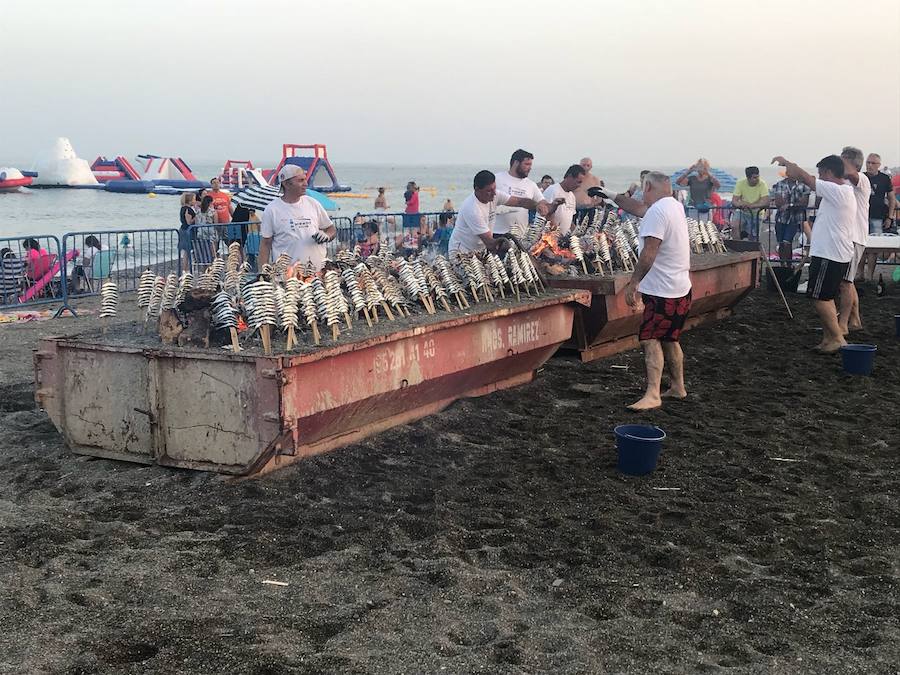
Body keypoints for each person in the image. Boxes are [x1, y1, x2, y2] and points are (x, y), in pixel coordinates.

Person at [593, 173, 692, 411]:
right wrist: (610, 195)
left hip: (662, 290)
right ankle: (678, 387)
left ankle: (653, 394)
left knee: (649, 339)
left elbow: (649, 252)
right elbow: (637, 208)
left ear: (647, 186)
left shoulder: (658, 213)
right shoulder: (673, 205)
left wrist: (633, 282)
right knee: (670, 338)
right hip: (680, 287)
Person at [772, 155, 855, 352]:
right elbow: (808, 178)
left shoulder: (838, 190)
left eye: (821, 173)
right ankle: (829, 337)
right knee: (825, 296)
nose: (818, 177)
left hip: (830, 254)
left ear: (828, 173)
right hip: (831, 252)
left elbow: (807, 179)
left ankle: (836, 338)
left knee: (820, 298)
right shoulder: (840, 192)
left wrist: (789, 163)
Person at [448, 170, 544, 258]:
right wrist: (506, 242)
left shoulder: (495, 195)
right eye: (489, 191)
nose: (494, 193)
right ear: (477, 190)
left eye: (494, 188)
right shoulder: (472, 209)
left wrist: (538, 206)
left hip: (479, 249)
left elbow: (519, 202)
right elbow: (490, 243)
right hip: (462, 252)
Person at [259, 165, 336, 272]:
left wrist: (326, 235)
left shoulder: (313, 203)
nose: (306, 184)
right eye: (300, 180)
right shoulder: (272, 210)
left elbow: (331, 229)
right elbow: (265, 244)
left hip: (318, 273)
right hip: (288, 275)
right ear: (286, 184)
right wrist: (263, 272)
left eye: (305, 179)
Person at [838, 146, 869, 334]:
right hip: (847, 237)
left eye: (842, 160)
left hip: (854, 237)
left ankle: (843, 323)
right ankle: (854, 319)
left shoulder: (862, 180)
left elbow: (851, 172)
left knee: (845, 282)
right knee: (846, 281)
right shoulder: (845, 183)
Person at [494, 149, 553, 237]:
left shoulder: (531, 184)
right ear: (516, 163)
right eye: (527, 164)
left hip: (520, 236)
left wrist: (553, 205)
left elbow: (543, 203)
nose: (530, 168)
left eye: (531, 165)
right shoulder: (497, 179)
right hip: (496, 232)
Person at [769, 172, 811, 263]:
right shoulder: (780, 184)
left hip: (794, 219)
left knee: (787, 242)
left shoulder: (803, 185)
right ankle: (783, 265)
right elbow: (779, 203)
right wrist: (795, 204)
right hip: (781, 218)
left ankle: (788, 264)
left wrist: (789, 205)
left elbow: (804, 204)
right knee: (781, 243)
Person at [542, 164, 585, 235]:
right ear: (570, 177)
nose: (579, 185)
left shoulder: (572, 196)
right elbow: (544, 214)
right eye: (578, 182)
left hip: (563, 240)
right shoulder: (552, 190)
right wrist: (555, 231)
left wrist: (578, 233)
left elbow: (568, 219)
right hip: (549, 238)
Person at [731, 166, 770, 240]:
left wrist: (752, 206)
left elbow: (766, 201)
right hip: (742, 212)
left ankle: (750, 250)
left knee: (753, 237)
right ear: (748, 178)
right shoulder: (740, 183)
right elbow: (734, 201)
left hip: (757, 213)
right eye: (754, 178)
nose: (757, 179)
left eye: (758, 177)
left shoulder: (762, 184)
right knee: (734, 226)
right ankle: (737, 247)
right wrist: (741, 204)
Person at [864, 153, 895, 235]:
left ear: (879, 165)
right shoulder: (861, 177)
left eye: (873, 163)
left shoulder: (884, 178)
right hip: (862, 217)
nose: (870, 165)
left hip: (878, 217)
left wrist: (890, 217)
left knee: (876, 242)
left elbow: (891, 198)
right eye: (868, 162)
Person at [178, 192, 196, 270]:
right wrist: (196, 217)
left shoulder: (183, 208)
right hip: (186, 231)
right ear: (190, 201)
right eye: (194, 199)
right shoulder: (187, 209)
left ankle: (185, 268)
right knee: (187, 251)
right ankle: (185, 269)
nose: (195, 201)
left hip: (183, 229)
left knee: (186, 251)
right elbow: (189, 222)